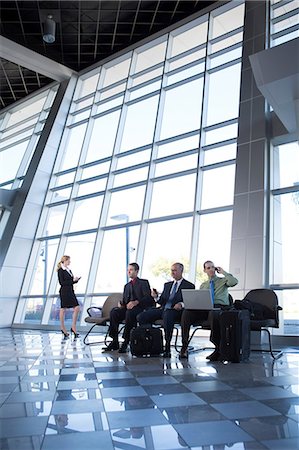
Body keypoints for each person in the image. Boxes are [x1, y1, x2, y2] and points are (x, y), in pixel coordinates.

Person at [180, 260, 238, 360]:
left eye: (212, 267)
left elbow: (234, 282)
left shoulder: (223, 281)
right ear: (204, 270)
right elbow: (200, 299)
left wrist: (223, 272)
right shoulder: (203, 285)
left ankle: (217, 348)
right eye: (208, 268)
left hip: (219, 307)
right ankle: (184, 345)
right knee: (187, 313)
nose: (211, 269)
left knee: (213, 312)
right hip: (205, 308)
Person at [138, 262, 195, 358]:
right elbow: (161, 301)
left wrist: (181, 304)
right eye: (172, 270)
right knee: (142, 316)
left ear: (181, 271)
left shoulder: (189, 285)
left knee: (168, 315)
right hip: (164, 309)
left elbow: (190, 301)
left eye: (175, 270)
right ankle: (151, 343)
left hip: (176, 311)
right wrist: (156, 297)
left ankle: (167, 345)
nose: (172, 272)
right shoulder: (167, 285)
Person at [103, 262, 154, 353]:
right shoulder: (127, 286)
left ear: (137, 271)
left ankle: (126, 340)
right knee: (114, 312)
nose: (129, 272)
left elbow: (148, 298)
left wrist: (136, 302)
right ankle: (114, 340)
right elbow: (125, 301)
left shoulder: (143, 283)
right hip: (128, 308)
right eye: (128, 270)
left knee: (129, 313)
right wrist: (122, 304)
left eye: (131, 270)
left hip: (140, 308)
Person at [57, 255, 81, 338]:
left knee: (77, 308)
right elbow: (62, 283)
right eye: (69, 260)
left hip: (70, 291)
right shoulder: (61, 270)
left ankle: (73, 327)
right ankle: (62, 328)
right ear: (65, 261)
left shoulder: (69, 270)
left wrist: (75, 281)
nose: (70, 262)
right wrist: (72, 280)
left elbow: (70, 282)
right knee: (63, 309)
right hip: (64, 292)